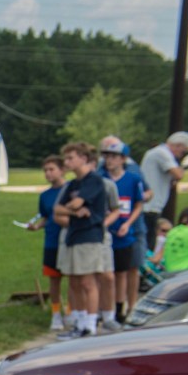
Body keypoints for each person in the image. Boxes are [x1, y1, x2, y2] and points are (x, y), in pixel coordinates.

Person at [54, 142, 118, 339]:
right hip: (73, 236)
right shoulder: (72, 184)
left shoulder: (94, 181)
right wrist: (75, 211)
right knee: (74, 282)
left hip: (90, 236)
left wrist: (75, 207)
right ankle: (79, 322)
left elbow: (76, 202)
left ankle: (90, 325)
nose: (67, 162)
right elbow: (58, 209)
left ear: (83, 158)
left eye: (71, 158)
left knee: (88, 282)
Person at [101, 138, 145, 323]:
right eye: (107, 156)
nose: (109, 160)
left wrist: (128, 223)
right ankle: (103, 309)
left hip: (124, 231)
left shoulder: (133, 179)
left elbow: (138, 204)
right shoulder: (100, 179)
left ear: (122, 159)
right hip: (105, 231)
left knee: (122, 271)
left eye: (114, 157)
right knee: (104, 273)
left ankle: (121, 307)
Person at [27, 155, 68, 331]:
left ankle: (72, 311)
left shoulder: (71, 190)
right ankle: (56, 313)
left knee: (75, 279)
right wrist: (37, 227)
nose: (48, 173)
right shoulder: (45, 195)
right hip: (51, 240)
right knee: (54, 279)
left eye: (52, 169)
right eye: (45, 170)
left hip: (69, 240)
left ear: (62, 170)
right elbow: (46, 216)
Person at [140, 131, 188, 238]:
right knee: (149, 240)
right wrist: (184, 166)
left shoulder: (156, 152)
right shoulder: (162, 153)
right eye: (183, 151)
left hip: (151, 205)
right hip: (150, 207)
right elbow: (178, 175)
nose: (182, 154)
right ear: (177, 145)